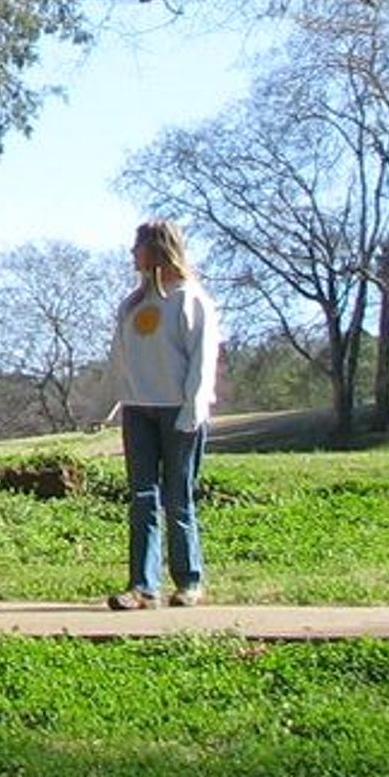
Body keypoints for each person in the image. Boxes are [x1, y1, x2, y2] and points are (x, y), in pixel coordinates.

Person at [101, 218, 223, 611]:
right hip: (139, 411)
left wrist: (193, 407)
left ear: (158, 249)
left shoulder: (191, 300)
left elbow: (202, 361)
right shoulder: (132, 305)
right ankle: (142, 586)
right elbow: (120, 358)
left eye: (138, 246)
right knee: (142, 498)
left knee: (178, 497)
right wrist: (110, 403)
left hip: (179, 412)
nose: (132, 254)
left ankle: (189, 581)